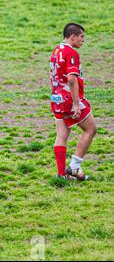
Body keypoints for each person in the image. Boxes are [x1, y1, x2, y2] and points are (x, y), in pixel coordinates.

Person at [50, 23, 97, 180]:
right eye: (82, 37)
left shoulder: (56, 50)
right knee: (91, 129)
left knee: (61, 135)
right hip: (69, 99)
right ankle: (75, 167)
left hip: (56, 99)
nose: (83, 40)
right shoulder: (72, 53)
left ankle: (61, 174)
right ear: (73, 36)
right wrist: (77, 103)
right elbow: (71, 80)